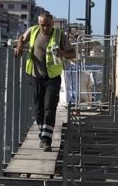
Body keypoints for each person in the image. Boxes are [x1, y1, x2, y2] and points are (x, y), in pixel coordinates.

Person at [14, 12, 75, 151]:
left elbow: (73, 53)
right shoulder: (33, 31)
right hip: (35, 76)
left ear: (53, 23)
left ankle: (47, 140)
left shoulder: (59, 35)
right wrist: (19, 47)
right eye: (43, 25)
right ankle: (43, 134)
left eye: (48, 25)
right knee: (38, 109)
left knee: (49, 107)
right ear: (39, 24)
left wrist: (63, 54)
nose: (45, 28)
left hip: (52, 78)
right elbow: (21, 38)